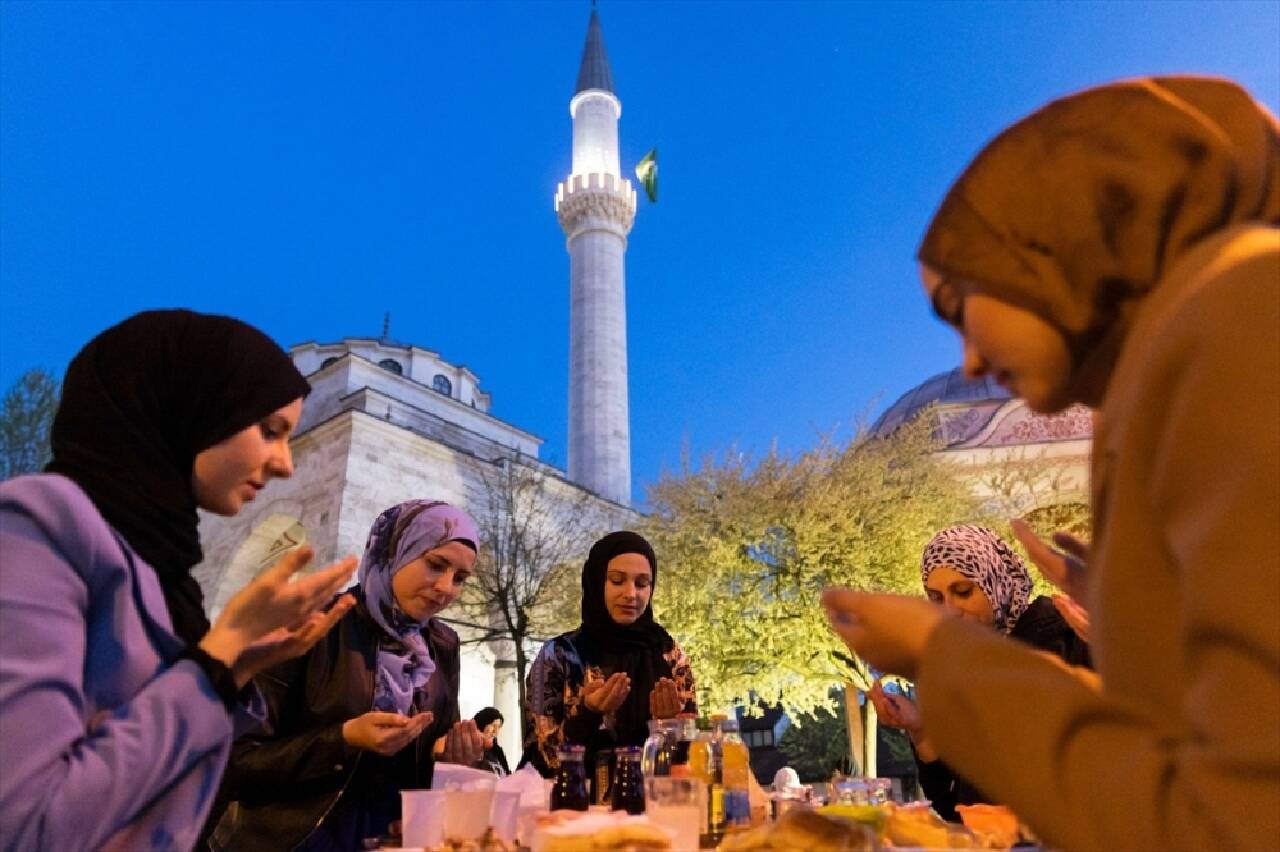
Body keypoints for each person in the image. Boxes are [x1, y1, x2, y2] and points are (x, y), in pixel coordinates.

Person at [823, 76, 1279, 850]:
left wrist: (943, 655)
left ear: (1054, 242)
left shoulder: (1234, 319)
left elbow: (1234, 814)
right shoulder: (1166, 364)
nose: (966, 354)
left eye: (961, 304)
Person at [0, 309, 358, 852]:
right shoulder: (39, 525)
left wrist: (240, 666)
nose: (286, 463)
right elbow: (30, 826)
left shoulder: (163, 570)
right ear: (192, 409)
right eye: (269, 431)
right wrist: (219, 656)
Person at [213, 499, 487, 852]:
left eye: (460, 578)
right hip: (295, 840)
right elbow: (235, 761)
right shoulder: (314, 623)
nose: (446, 588)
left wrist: (445, 753)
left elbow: (430, 746)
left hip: (395, 838)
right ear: (395, 552)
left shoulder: (441, 644)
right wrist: (344, 739)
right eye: (436, 565)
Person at [868, 524, 1090, 821]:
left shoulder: (1068, 638)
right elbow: (955, 806)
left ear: (996, 582)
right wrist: (920, 730)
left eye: (962, 591)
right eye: (936, 598)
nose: (949, 611)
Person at [524, 531, 696, 779]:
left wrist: (668, 726)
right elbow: (542, 759)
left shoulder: (669, 655)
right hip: (572, 807)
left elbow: (689, 763)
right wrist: (587, 712)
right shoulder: (559, 655)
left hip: (649, 807)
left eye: (642, 583)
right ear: (595, 582)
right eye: (616, 580)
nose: (630, 594)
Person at [471, 707, 511, 776]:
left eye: (498, 727)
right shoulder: (470, 749)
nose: (496, 731)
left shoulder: (497, 751)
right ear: (482, 724)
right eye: (493, 726)